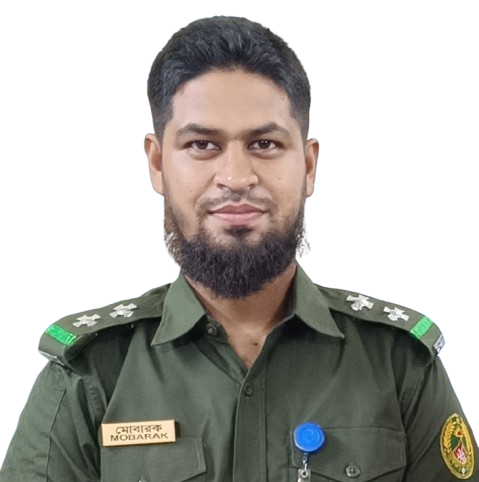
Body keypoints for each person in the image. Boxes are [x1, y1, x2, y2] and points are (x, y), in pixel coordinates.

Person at [1, 15, 476, 482]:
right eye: (202, 144)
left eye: (264, 144)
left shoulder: (399, 365)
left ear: (309, 166)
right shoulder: (89, 374)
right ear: (157, 163)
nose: (235, 177)